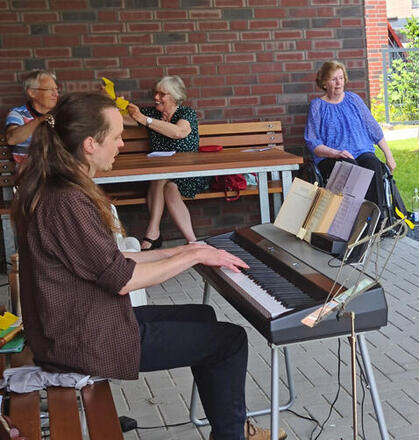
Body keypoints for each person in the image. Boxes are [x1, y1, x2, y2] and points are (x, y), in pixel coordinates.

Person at [11, 92, 284, 440]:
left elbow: (110, 262)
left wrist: (186, 248)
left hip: (76, 326)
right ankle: (233, 435)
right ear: (90, 144)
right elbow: (123, 279)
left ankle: (232, 427)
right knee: (230, 341)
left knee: (202, 317)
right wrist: (193, 257)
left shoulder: (58, 188)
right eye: (116, 137)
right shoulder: (67, 201)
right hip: (82, 342)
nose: (122, 144)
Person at [125, 75, 208, 250]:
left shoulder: (186, 113)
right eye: (156, 93)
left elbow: (178, 132)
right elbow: (122, 119)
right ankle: (193, 241)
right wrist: (111, 103)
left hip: (189, 173)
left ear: (174, 96)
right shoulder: (152, 113)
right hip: (161, 173)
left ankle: (153, 233)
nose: (156, 97)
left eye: (162, 94)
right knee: (165, 183)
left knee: (162, 179)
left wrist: (145, 120)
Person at [304, 60, 396, 204]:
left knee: (373, 164)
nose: (339, 83)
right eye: (334, 79)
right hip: (331, 157)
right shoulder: (317, 106)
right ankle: (351, 213)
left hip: (361, 152)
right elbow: (313, 143)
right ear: (324, 83)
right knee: (350, 166)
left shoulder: (353, 99)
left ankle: (375, 214)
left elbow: (374, 129)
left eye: (341, 78)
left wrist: (389, 156)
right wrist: (336, 153)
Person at [4, 70, 59, 163]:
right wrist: (40, 120)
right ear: (32, 93)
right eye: (50, 90)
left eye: (56, 89)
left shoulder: (60, 113)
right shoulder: (17, 114)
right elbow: (12, 139)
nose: (56, 94)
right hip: (30, 170)